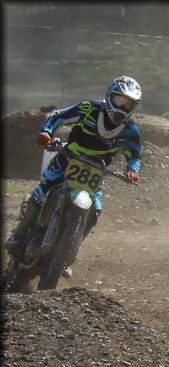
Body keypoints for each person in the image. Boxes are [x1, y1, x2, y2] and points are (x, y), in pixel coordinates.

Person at [5, 76, 143, 279]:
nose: (122, 107)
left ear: (134, 107)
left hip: (96, 170)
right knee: (44, 188)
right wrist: (47, 132)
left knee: (95, 209)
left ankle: (67, 255)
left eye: (128, 104)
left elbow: (135, 154)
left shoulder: (131, 130)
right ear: (109, 96)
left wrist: (133, 169)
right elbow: (60, 115)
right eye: (120, 100)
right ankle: (19, 235)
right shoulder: (90, 108)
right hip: (68, 158)